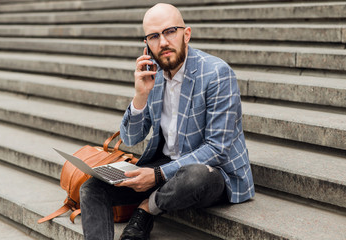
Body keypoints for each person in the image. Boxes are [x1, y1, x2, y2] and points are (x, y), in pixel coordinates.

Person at [80, 3, 255, 240]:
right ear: (147, 44)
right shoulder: (154, 76)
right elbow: (131, 138)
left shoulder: (216, 74)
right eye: (154, 36)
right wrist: (140, 96)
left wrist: (158, 176)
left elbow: (217, 149)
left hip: (213, 173)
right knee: (92, 187)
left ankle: (146, 208)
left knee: (194, 176)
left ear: (187, 34)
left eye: (170, 31)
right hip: (165, 167)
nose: (162, 42)